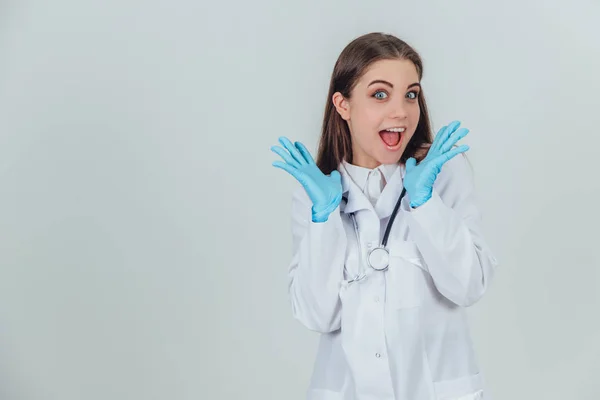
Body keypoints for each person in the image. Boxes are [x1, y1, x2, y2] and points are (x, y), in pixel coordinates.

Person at [270, 32, 499, 400]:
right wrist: (324, 218)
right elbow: (318, 315)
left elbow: (468, 286)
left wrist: (425, 204)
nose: (401, 111)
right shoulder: (315, 195)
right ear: (342, 104)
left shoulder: (443, 174)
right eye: (380, 94)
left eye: (411, 94)